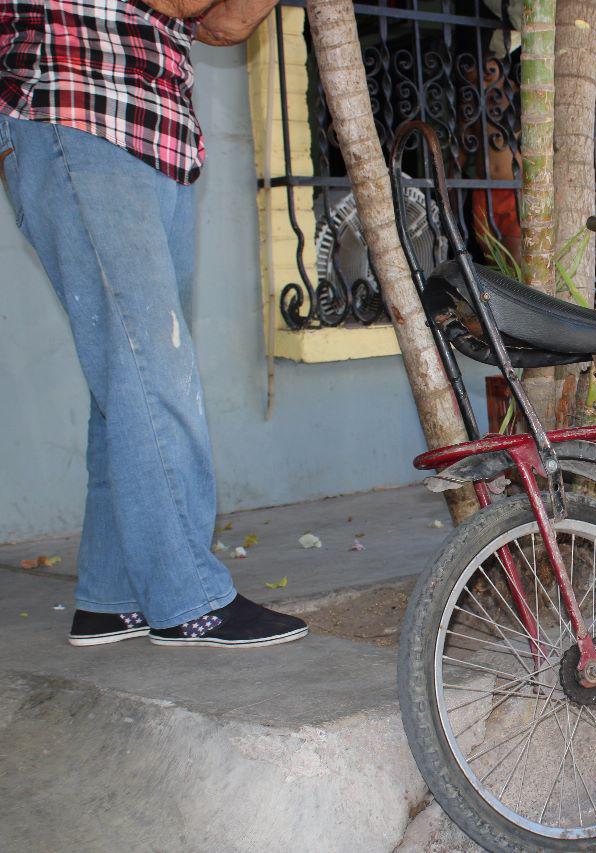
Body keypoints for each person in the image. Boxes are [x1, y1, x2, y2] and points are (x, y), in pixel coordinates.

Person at [0, 0, 307, 648]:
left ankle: (112, 597)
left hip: (157, 133)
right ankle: (187, 596)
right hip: (78, 104)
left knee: (131, 375)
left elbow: (224, 24)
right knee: (152, 366)